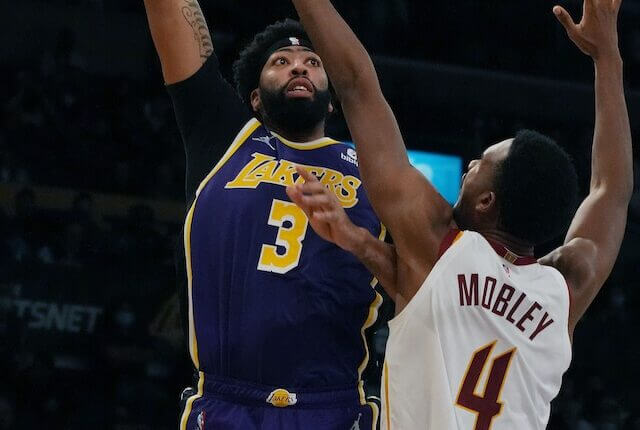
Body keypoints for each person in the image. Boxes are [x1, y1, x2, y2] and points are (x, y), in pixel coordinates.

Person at [287, 0, 633, 428]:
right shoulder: (563, 291)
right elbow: (611, 191)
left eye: (480, 163)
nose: (469, 165)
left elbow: (357, 85)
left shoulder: (441, 245)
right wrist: (608, 57)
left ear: (486, 202)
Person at [142, 1, 396, 429]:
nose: (298, 67)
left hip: (333, 407)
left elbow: (422, 281)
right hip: (227, 402)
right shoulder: (226, 140)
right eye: (281, 61)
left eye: (313, 62)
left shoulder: (375, 172)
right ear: (255, 97)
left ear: (331, 103)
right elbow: (170, 13)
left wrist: (356, 239)